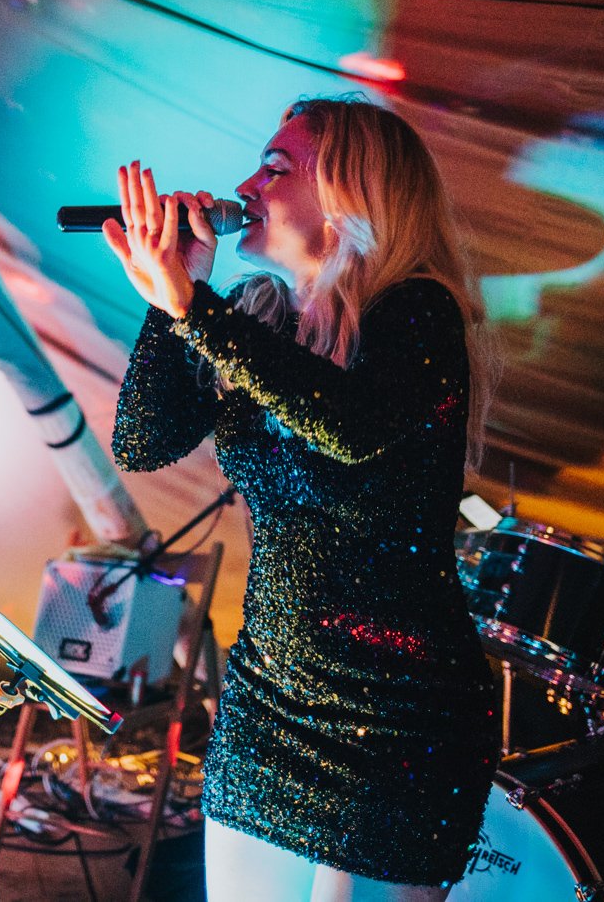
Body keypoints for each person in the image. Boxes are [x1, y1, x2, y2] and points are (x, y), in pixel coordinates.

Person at [107, 98, 500, 901]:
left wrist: (195, 310)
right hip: (268, 701)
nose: (247, 184)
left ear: (352, 193)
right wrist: (172, 297)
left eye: (277, 168)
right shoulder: (259, 319)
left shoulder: (417, 314)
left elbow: (347, 427)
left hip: (395, 717)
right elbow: (142, 443)